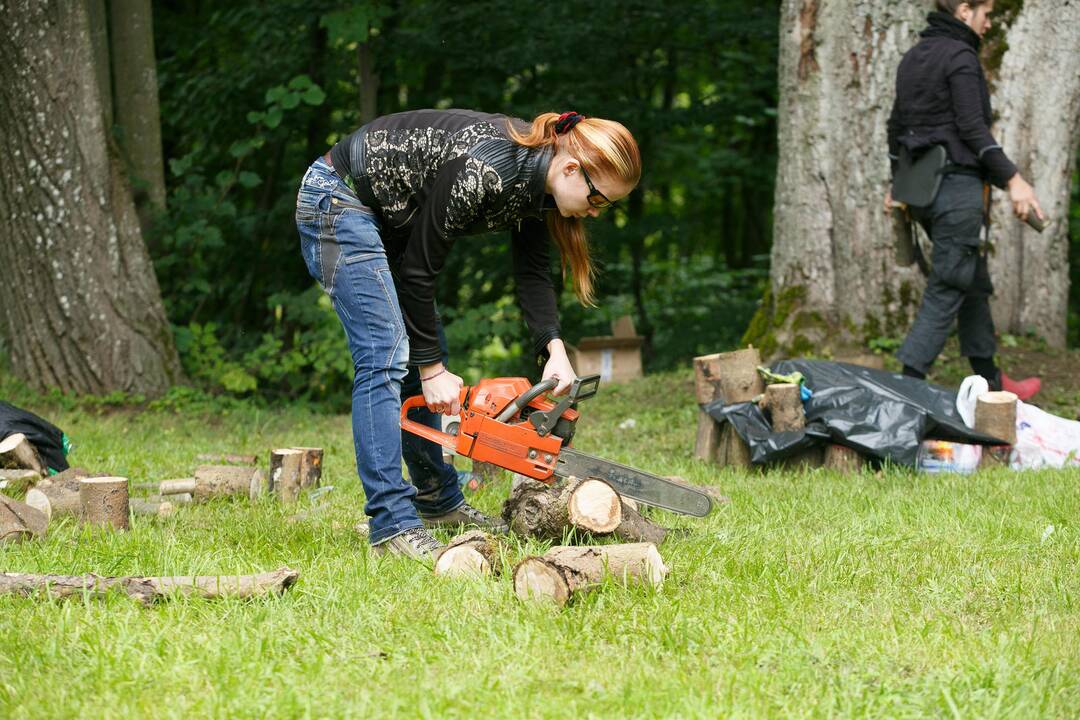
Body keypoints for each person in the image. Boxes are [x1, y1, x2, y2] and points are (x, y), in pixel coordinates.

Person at [295, 109, 641, 558]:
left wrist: (554, 350)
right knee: (387, 352)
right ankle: (391, 525)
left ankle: (436, 503)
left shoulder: (535, 184)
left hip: (391, 224)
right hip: (340, 201)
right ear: (572, 169)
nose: (595, 212)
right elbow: (421, 268)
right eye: (598, 200)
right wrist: (433, 367)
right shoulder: (490, 168)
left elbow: (533, 273)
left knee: (418, 346)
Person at [884, 0, 1043, 400]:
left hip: (922, 194)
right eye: (985, 15)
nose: (989, 24)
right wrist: (1015, 181)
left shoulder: (912, 58)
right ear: (964, 11)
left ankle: (991, 381)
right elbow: (973, 129)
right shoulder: (960, 56)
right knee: (949, 283)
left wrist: (896, 183)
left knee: (969, 278)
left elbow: (895, 128)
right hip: (955, 189)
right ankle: (903, 390)